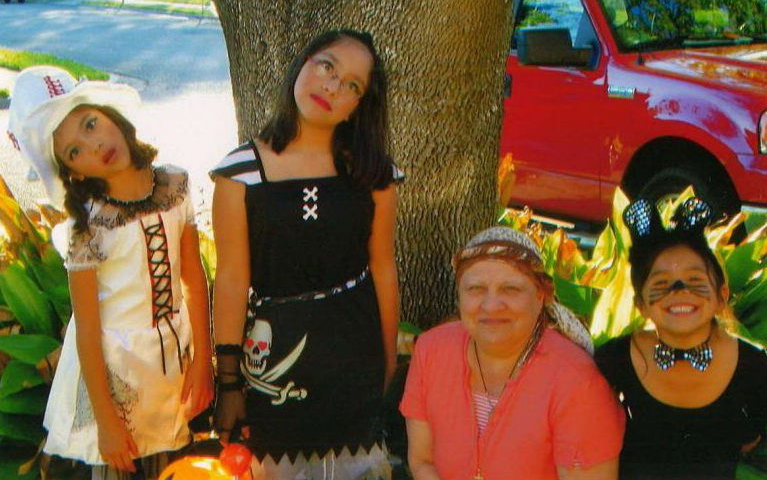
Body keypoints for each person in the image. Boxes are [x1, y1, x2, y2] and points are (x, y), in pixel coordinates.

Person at [209, 29, 402, 480]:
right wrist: (229, 381)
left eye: (352, 85)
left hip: (353, 356)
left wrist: (388, 360)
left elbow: (383, 267)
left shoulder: (373, 173)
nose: (332, 86)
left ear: (359, 105)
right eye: (327, 66)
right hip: (275, 361)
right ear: (303, 64)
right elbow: (232, 279)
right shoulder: (240, 171)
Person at [7, 65, 213, 480]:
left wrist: (203, 361)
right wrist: (106, 421)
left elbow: (193, 277)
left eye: (90, 124)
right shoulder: (89, 226)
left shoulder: (174, 185)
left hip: (173, 363)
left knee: (177, 467)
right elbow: (86, 328)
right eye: (74, 151)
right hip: (117, 379)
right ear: (75, 173)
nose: (94, 143)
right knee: (121, 467)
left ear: (110, 115)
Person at [400, 226, 625, 480]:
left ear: (540, 297)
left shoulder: (576, 382)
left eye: (510, 289)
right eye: (476, 289)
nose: (491, 305)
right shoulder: (431, 352)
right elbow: (422, 461)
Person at [595, 197, 767, 480]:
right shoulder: (616, 359)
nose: (679, 291)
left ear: (721, 296)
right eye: (661, 283)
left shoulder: (752, 364)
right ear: (641, 304)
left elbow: (754, 438)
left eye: (695, 280)